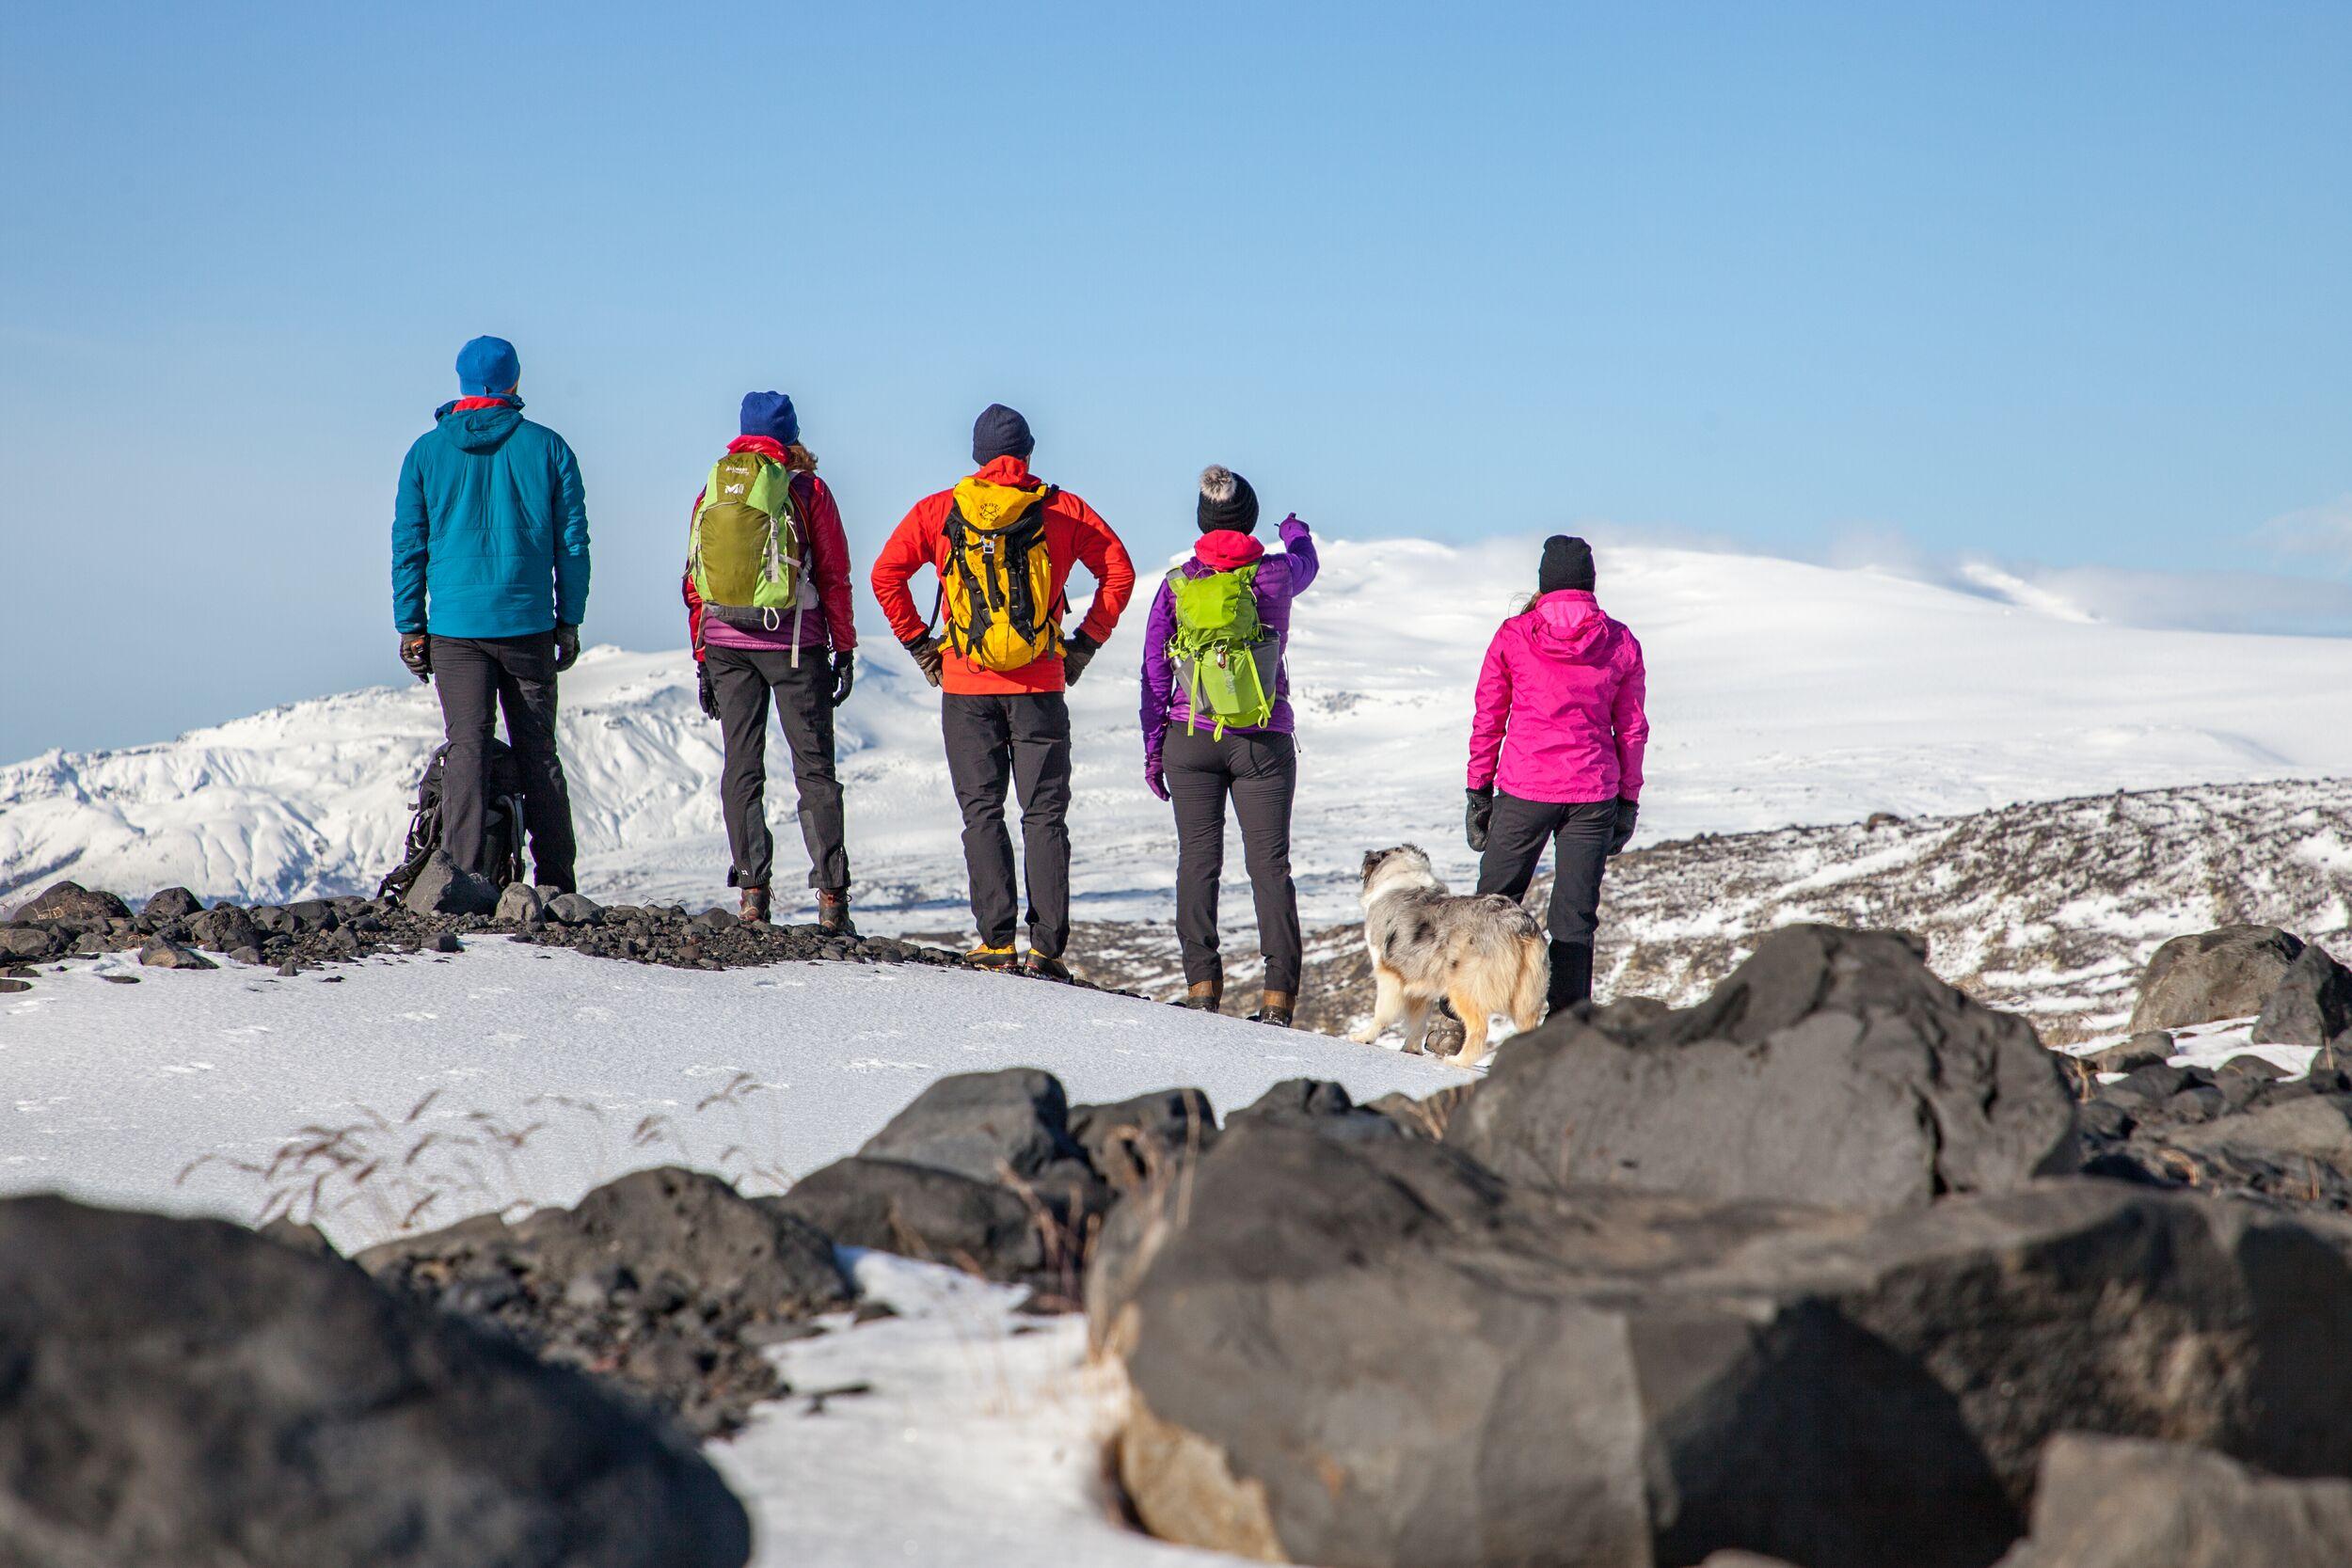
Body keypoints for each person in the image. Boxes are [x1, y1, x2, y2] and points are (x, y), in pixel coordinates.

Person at [869, 404, 1136, 976]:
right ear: (1029, 453)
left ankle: (995, 942)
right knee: (1043, 814)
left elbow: (885, 574)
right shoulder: (1062, 509)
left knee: (981, 812)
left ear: (976, 456)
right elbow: (1119, 571)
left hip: (964, 686)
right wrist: (1084, 643)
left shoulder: (939, 510)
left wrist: (921, 646)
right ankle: (1045, 949)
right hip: (1040, 684)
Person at [391, 335, 589, 892]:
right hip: (527, 624)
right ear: (515, 382)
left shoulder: (425, 453)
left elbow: (409, 542)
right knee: (538, 752)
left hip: (454, 629)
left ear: (460, 383)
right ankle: (556, 882)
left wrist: (411, 625)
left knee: (468, 750)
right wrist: (568, 619)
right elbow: (573, 542)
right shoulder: (549, 448)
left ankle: (462, 881)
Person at [1139, 467, 1318, 1027]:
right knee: (1269, 866)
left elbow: (1151, 669)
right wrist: (1293, 530)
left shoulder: (1176, 584)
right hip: (1262, 739)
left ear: (1201, 520)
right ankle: (1277, 999)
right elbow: (1307, 561)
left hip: (1190, 738)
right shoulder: (1278, 574)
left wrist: (1153, 748)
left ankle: (1201, 985)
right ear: (1248, 518)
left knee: (1198, 860)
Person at [681, 391, 858, 929]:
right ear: (791, 433)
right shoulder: (807, 489)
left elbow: (693, 580)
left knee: (742, 767)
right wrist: (844, 647)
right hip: (793, 643)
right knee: (814, 771)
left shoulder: (715, 487)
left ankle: (753, 895)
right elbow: (833, 577)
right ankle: (831, 901)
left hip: (726, 644)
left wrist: (702, 655)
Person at [1464, 535, 1648, 1014]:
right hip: (1592, 795)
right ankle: (1567, 1032)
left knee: (1492, 906)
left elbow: (1489, 718)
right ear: (1590, 583)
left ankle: (1457, 1019)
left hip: (1524, 790)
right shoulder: (1620, 640)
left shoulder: (1513, 634)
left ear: (1544, 582)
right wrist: (1628, 801)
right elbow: (1631, 729)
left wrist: (1478, 790)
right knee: (1574, 918)